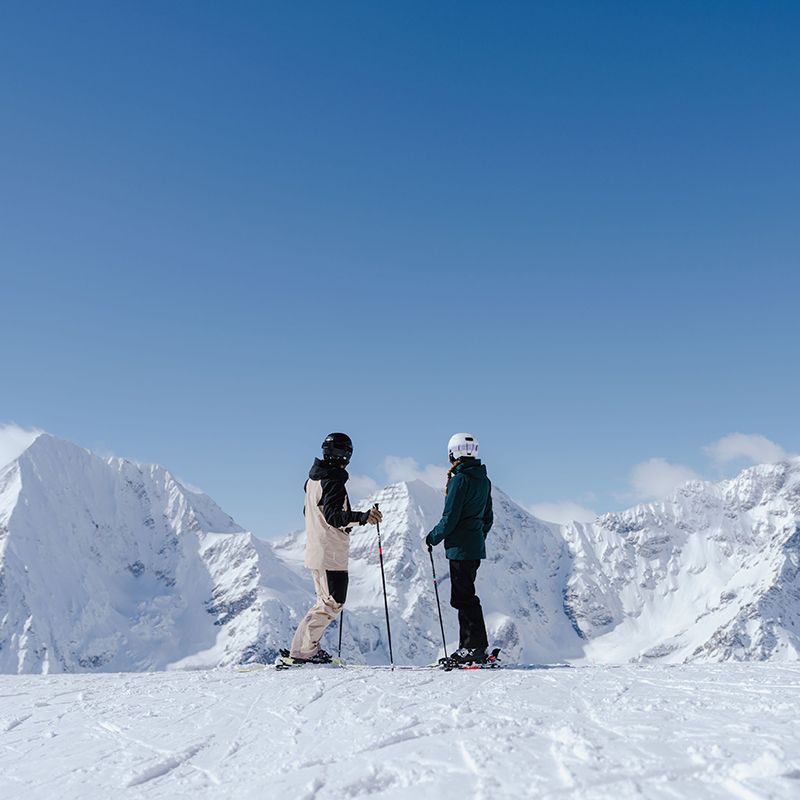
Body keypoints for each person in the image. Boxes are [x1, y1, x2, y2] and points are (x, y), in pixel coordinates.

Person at [287, 432, 382, 663]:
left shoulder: (313, 481)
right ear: (346, 455)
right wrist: (363, 517)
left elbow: (312, 513)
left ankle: (302, 650)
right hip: (331, 552)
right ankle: (304, 652)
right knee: (333, 603)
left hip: (316, 549)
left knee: (325, 603)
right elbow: (333, 516)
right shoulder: (333, 480)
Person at [425, 432, 493, 665]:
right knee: (466, 595)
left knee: (463, 598)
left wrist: (432, 538)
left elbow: (450, 517)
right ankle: (471, 646)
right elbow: (488, 518)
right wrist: (477, 537)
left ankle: (473, 647)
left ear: (452, 452)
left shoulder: (459, 480)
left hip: (460, 548)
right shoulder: (484, 480)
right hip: (474, 547)